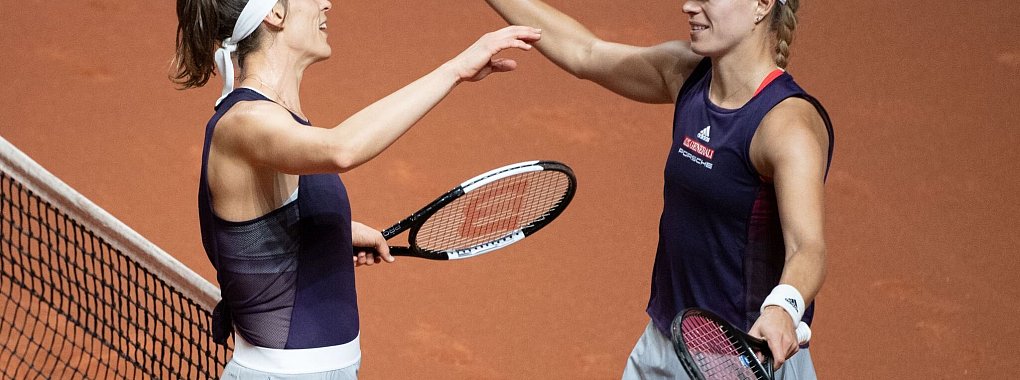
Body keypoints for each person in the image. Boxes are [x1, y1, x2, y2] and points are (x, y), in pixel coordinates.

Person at [171, 0, 540, 378]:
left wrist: (332, 233)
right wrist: (455, 70)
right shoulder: (244, 122)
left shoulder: (279, 120)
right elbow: (342, 149)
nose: (325, 3)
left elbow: (256, 225)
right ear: (275, 13)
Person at [483, 0, 832, 378]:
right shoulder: (688, 74)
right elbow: (585, 52)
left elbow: (807, 246)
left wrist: (782, 307)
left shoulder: (786, 125)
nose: (688, 6)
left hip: (744, 358)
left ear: (762, 5)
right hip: (667, 342)